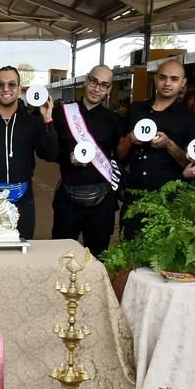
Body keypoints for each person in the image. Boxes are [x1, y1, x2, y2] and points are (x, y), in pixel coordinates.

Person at [116, 59, 195, 238]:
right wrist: (131, 139)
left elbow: (190, 164)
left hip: (168, 203)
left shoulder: (188, 119)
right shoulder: (136, 110)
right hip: (134, 200)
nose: (167, 83)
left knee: (161, 262)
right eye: (163, 77)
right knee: (129, 257)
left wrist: (169, 144)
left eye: (174, 78)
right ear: (155, 78)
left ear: (183, 83)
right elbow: (120, 156)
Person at [0, 66, 58, 240]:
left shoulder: (32, 122)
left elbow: (50, 154)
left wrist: (47, 119)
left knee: (22, 250)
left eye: (11, 84)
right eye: (1, 84)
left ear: (20, 89)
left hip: (23, 201)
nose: (6, 89)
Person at [51, 64, 120, 255]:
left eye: (104, 85)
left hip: (102, 201)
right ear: (86, 80)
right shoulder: (62, 114)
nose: (97, 89)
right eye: (94, 82)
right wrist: (67, 157)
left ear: (109, 89)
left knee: (98, 258)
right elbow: (49, 151)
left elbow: (120, 157)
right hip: (68, 199)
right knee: (60, 255)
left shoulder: (114, 120)